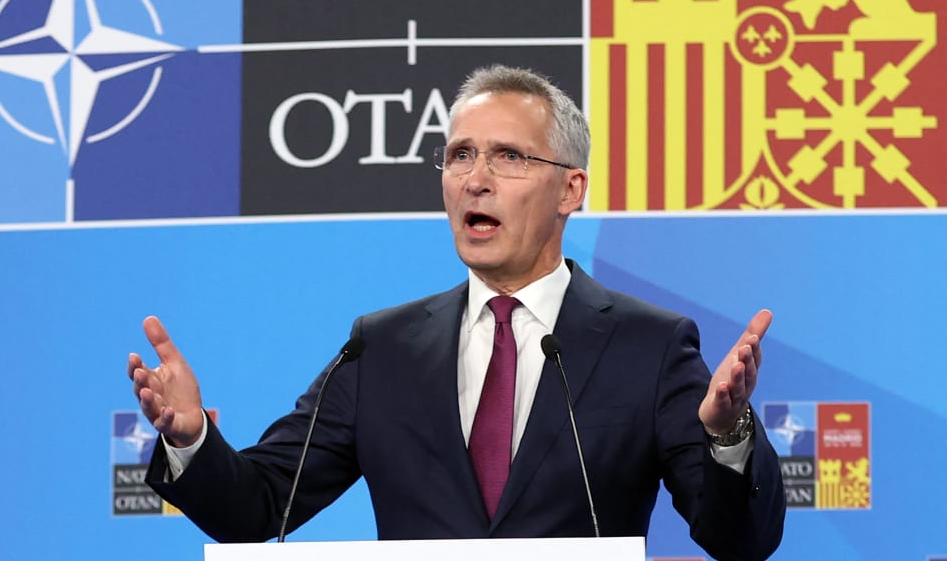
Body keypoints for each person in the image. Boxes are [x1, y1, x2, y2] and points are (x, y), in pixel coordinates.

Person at [128, 65, 785, 560]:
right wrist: (189, 438)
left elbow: (739, 542)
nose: (476, 179)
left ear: (571, 189)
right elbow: (257, 506)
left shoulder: (649, 345)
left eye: (508, 157)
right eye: (460, 155)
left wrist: (727, 437)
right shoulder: (379, 348)